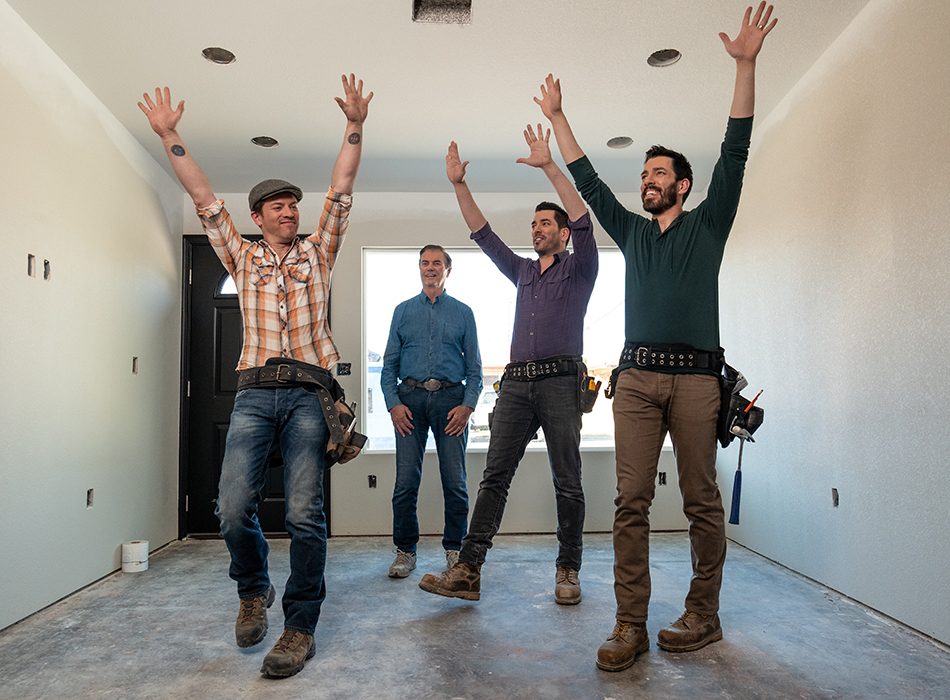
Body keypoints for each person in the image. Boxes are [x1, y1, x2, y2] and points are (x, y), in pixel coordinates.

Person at [536, 2, 778, 671]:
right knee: (629, 501)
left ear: (684, 184)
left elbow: (737, 146)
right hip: (637, 380)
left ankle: (703, 613)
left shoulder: (709, 223)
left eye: (659, 174)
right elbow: (586, 181)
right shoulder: (634, 231)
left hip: (701, 380)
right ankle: (628, 624)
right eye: (644, 175)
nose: (648, 181)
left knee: (701, 499)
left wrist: (746, 65)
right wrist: (558, 119)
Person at [137, 74, 372, 678]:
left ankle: (299, 626)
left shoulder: (321, 250)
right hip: (253, 394)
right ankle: (253, 588)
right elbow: (203, 194)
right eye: (278, 206)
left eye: (294, 205)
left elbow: (342, 186)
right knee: (232, 507)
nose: (291, 212)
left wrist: (354, 125)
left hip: (310, 396)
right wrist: (170, 135)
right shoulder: (239, 255)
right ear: (258, 216)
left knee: (304, 514)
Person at [419, 124, 598, 604]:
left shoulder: (581, 268)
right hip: (517, 385)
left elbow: (584, 220)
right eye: (534, 224)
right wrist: (459, 184)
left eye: (546, 224)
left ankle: (568, 570)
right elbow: (483, 234)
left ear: (562, 234)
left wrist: (549, 166)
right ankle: (469, 571)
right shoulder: (521, 272)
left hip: (562, 382)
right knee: (495, 476)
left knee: (568, 481)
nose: (537, 229)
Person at [380, 245, 483, 578]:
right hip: (408, 402)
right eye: (425, 263)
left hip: (451, 403)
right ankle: (405, 551)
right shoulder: (403, 311)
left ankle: (455, 551)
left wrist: (467, 406)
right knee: (406, 482)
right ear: (419, 269)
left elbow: (475, 368)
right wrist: (394, 404)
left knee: (455, 482)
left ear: (447, 270)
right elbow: (389, 366)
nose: (430, 268)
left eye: (437, 263)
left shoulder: (464, 312)